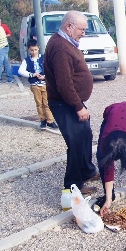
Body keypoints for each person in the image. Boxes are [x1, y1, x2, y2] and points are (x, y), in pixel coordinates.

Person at [44, 10, 98, 194]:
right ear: (69, 26)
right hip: (65, 102)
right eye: (82, 30)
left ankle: (87, 170)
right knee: (75, 142)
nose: (84, 33)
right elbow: (64, 84)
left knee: (85, 135)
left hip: (71, 101)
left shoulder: (66, 42)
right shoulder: (61, 48)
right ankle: (73, 184)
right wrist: (78, 107)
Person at [18, 39, 59, 130]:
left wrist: (45, 76)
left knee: (47, 103)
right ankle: (42, 120)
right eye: (32, 50)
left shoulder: (44, 58)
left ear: (38, 48)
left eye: (35, 50)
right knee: (39, 103)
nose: (34, 52)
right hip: (35, 85)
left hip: (45, 84)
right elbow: (20, 71)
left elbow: (51, 69)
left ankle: (50, 120)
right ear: (29, 50)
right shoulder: (27, 60)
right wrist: (32, 74)